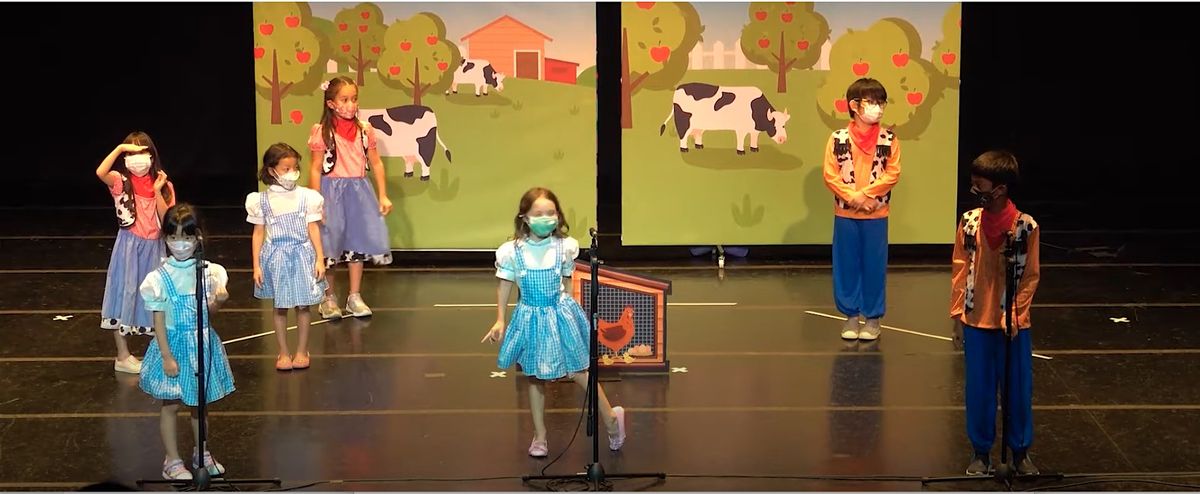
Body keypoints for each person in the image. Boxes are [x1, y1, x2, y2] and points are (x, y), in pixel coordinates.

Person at [481, 187, 626, 457]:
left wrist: (569, 313)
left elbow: (568, 281)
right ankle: (540, 436)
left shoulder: (564, 246)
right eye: (538, 213)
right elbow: (505, 285)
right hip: (530, 317)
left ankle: (612, 419)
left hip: (559, 313)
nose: (545, 218)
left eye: (551, 213)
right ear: (524, 217)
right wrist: (500, 319)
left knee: (579, 371)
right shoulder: (512, 251)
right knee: (534, 377)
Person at [950, 150, 1041, 476]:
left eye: (980, 185)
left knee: (1017, 389)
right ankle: (980, 452)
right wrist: (957, 315)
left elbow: (1030, 276)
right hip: (977, 320)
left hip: (1012, 324)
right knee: (979, 390)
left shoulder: (1026, 227)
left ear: (999, 189)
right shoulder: (969, 222)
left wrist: (1014, 315)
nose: (975, 190)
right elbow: (960, 268)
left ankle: (1020, 452)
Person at [138, 204, 236, 480]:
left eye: (187, 237)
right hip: (174, 345)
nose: (180, 244)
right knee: (170, 404)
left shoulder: (209, 272)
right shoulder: (159, 278)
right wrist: (166, 356)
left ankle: (202, 452)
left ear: (198, 237)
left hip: (201, 343)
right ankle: (172, 459)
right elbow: (158, 320)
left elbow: (207, 312)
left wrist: (219, 301)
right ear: (165, 238)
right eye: (173, 237)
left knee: (200, 405)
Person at [307, 76, 392, 319]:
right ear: (331, 103)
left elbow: (376, 163)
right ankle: (328, 297)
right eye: (344, 99)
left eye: (354, 99)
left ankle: (354, 296)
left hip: (358, 193)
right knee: (329, 246)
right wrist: (316, 201)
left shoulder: (365, 130)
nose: (350, 104)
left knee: (356, 244)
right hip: (330, 193)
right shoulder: (322, 131)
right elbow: (315, 167)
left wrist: (383, 195)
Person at [96, 131, 176, 373]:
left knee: (157, 298)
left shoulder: (164, 184)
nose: (137, 158)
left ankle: (160, 352)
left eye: (142, 152)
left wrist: (158, 190)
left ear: (152, 156)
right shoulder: (121, 181)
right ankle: (122, 355)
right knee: (123, 293)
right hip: (129, 247)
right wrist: (120, 148)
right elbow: (100, 172)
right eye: (131, 153)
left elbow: (168, 218)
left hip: (154, 248)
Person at [248, 143, 327, 371]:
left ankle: (302, 350)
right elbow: (258, 233)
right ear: (271, 170)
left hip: (302, 254)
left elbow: (313, 228)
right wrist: (256, 266)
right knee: (280, 306)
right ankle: (283, 351)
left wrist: (319, 258)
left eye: (295, 167)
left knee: (303, 305)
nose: (292, 172)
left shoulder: (306, 197)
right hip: (277, 257)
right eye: (286, 168)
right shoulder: (261, 200)